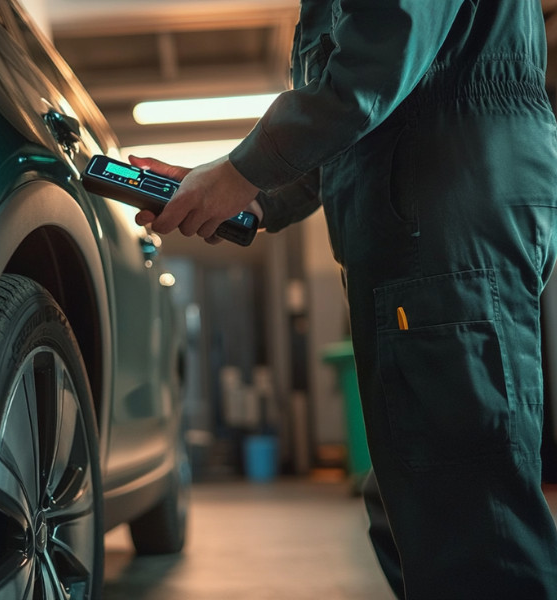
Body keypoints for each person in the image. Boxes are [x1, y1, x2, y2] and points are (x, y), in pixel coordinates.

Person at [131, 1, 557, 597]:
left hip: (438, 208)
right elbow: (360, 106)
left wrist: (241, 171)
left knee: (466, 513)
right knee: (415, 497)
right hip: (422, 213)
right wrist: (253, 197)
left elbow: (379, 59)